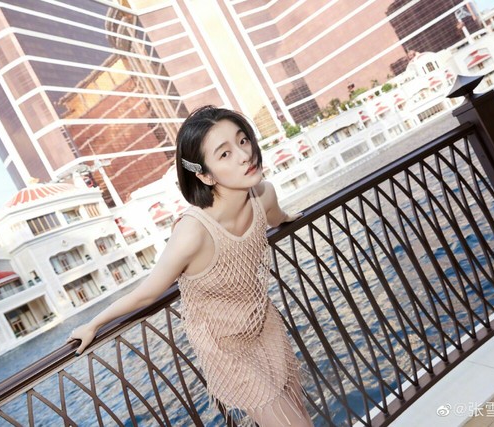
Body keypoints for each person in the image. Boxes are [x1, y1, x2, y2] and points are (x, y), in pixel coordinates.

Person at [67, 106, 314, 426]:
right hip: (226, 350)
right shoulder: (192, 232)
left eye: (243, 140)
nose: (244, 155)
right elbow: (147, 293)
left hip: (264, 324)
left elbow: (277, 216)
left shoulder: (263, 195)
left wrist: (287, 218)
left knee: (299, 415)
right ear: (205, 175)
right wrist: (93, 324)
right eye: (224, 154)